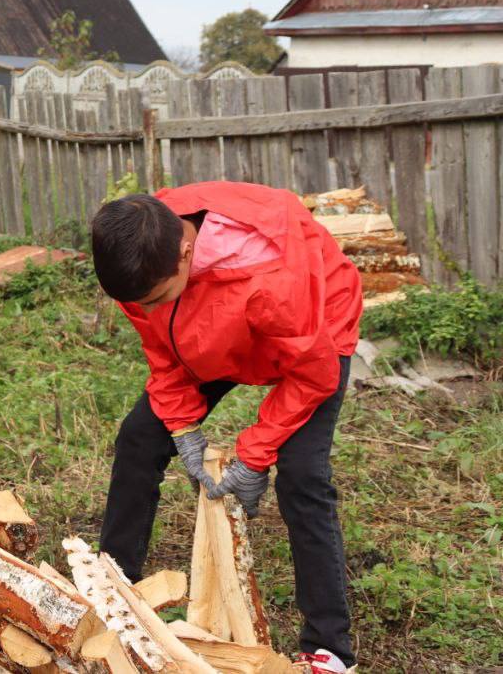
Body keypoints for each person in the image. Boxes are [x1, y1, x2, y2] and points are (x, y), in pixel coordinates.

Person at [89, 182, 362, 674]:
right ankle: (111, 590)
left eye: (156, 298)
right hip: (214, 331)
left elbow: (312, 372)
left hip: (311, 336)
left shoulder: (274, 276)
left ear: (186, 252)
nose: (145, 311)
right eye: (139, 304)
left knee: (302, 474)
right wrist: (182, 425)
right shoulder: (139, 247)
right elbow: (161, 342)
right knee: (139, 438)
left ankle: (329, 648)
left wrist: (256, 454)